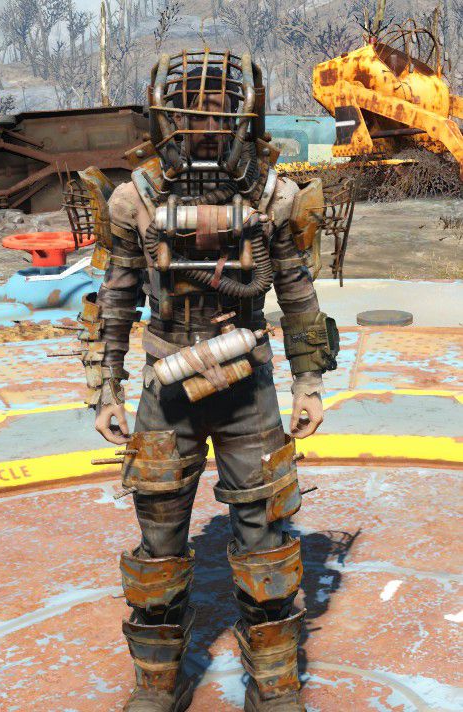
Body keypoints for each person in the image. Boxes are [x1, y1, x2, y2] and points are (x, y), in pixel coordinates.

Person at [78, 49, 339, 712]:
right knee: (159, 544)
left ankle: (273, 684)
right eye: (189, 112)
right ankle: (157, 680)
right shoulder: (134, 198)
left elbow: (297, 293)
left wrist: (309, 382)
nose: (203, 125)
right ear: (165, 118)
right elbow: (115, 297)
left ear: (238, 116)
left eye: (216, 111)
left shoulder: (274, 196)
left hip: (248, 389)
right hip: (167, 390)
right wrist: (105, 388)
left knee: (267, 542)